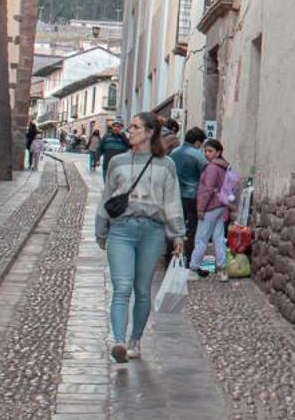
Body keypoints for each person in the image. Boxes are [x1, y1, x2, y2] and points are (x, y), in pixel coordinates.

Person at [96, 111, 185, 363]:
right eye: (130, 127)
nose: (129, 131)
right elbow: (107, 197)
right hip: (122, 230)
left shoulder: (167, 165)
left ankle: (135, 340)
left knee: (142, 289)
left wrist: (178, 236)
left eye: (135, 127)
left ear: (149, 132)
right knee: (122, 288)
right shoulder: (118, 162)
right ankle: (119, 342)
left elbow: (172, 201)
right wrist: (101, 228)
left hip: (153, 232)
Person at [190, 138, 238, 277]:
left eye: (210, 151)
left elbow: (207, 189)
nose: (206, 153)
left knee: (201, 238)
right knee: (218, 238)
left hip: (210, 206)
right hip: (221, 205)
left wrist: (200, 208)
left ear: (218, 152)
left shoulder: (211, 167)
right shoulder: (224, 167)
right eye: (205, 150)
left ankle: (193, 269)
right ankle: (223, 269)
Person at [171, 127, 207, 259]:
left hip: (175, 196)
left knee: (175, 227)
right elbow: (206, 175)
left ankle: (172, 257)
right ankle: (188, 257)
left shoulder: (173, 153)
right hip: (192, 196)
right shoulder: (198, 155)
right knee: (191, 229)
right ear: (197, 142)